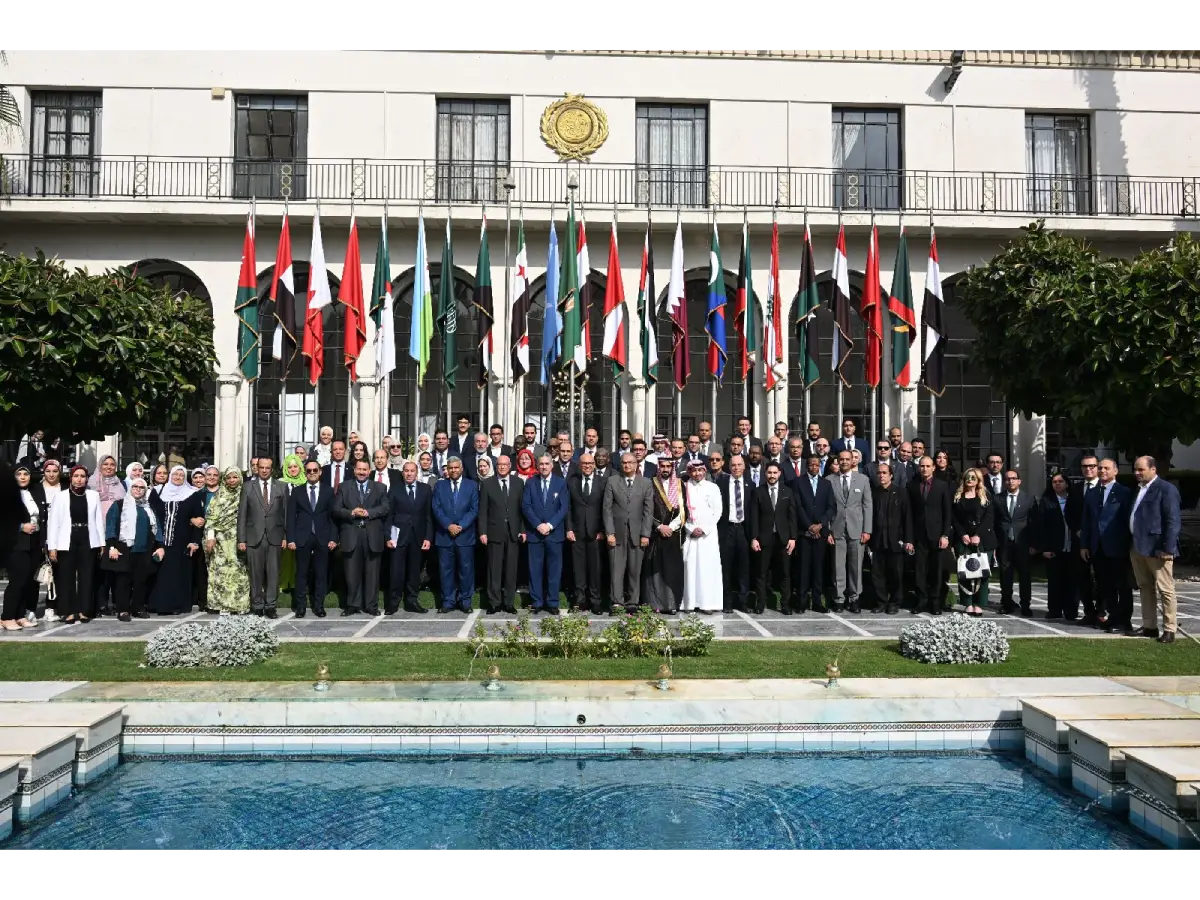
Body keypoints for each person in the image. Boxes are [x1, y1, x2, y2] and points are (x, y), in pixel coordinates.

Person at [1129, 456, 1182, 644]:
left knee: (1165, 589)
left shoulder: (1166, 489)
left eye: (1141, 469)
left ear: (1153, 469)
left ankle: (1169, 629)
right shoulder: (1140, 489)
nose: (1137, 473)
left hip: (1157, 548)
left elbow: (1173, 520)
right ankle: (1149, 626)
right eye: (1135, 469)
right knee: (1145, 587)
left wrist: (1168, 548)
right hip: (1138, 546)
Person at [1079, 459, 1135, 635]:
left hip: (1118, 547)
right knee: (1105, 586)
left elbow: (1128, 520)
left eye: (1106, 468)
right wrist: (1084, 545)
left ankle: (1124, 620)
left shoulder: (1124, 492)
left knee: (1122, 586)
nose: (1102, 470)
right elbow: (1086, 521)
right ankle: (1112, 616)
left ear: (1115, 471)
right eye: (1100, 468)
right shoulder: (1092, 492)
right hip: (1097, 547)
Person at [47, 465, 105, 624]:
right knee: (66, 576)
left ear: (87, 479)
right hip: (67, 539)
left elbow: (98, 520)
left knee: (87, 576)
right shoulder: (60, 496)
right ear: (71, 478)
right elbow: (53, 523)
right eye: (76, 476)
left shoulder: (93, 495)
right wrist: (52, 546)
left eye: (82, 476)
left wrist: (101, 542)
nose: (79, 479)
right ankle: (68, 611)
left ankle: (85, 610)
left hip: (87, 537)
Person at [333, 458, 390, 617]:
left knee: (372, 574)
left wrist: (369, 513)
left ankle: (371, 606)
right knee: (351, 573)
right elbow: (336, 509)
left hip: (372, 535)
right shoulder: (344, 487)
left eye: (365, 470)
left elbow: (386, 507)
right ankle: (353, 605)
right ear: (354, 470)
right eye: (359, 469)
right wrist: (351, 512)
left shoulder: (379, 487)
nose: (362, 472)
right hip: (351, 534)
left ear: (369, 471)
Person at [103, 477, 164, 621]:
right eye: (135, 487)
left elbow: (156, 528)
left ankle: (138, 608)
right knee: (123, 581)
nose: (138, 490)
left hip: (144, 549)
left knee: (140, 581)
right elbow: (111, 526)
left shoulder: (148, 507)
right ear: (130, 488)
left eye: (141, 487)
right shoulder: (119, 505)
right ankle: (123, 610)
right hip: (124, 549)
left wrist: (160, 546)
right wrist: (111, 546)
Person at [148, 466, 204, 616]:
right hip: (159, 540)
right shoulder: (158, 492)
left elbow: (199, 520)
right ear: (170, 475)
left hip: (182, 541)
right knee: (159, 573)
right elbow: (150, 511)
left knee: (178, 574)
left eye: (181, 475)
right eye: (175, 474)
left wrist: (195, 541)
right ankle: (157, 604)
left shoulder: (192, 494)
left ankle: (176, 605)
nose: (178, 477)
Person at [237, 458, 289, 618]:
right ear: (257, 468)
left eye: (267, 468)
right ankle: (257, 605)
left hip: (275, 537)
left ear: (272, 469)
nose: (264, 470)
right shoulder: (247, 487)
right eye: (261, 467)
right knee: (255, 574)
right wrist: (241, 539)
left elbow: (286, 514)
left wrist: (286, 536)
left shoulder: (282, 486)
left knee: (273, 573)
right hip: (253, 537)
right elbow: (242, 514)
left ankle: (271, 606)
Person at [603, 452, 654, 615]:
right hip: (616, 533)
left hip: (637, 534)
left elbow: (648, 511)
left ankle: (632, 602)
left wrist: (645, 534)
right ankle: (617, 602)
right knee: (616, 570)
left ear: (636, 464)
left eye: (630, 462)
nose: (627, 465)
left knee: (634, 570)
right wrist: (609, 532)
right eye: (624, 462)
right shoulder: (612, 481)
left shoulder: (645, 483)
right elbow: (607, 509)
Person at [286, 458, 337, 618]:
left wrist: (333, 538)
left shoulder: (328, 491)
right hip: (302, 537)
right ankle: (300, 607)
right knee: (301, 573)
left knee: (321, 574)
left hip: (322, 537)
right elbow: (291, 517)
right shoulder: (297, 491)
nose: (312, 473)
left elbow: (333, 517)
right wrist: (291, 539)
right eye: (309, 470)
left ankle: (319, 606)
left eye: (315, 470)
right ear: (305, 472)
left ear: (320, 472)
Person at [521, 454, 569, 614]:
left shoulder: (560, 483)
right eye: (541, 464)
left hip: (554, 534)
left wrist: (549, 525)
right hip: (535, 534)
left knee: (554, 570)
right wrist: (538, 525)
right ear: (537, 466)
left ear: (552, 465)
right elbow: (526, 506)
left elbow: (563, 508)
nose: (544, 466)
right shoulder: (530, 482)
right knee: (535, 569)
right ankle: (536, 602)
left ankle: (553, 602)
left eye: (547, 464)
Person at [384, 461, 432, 615]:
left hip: (418, 537)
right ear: (402, 473)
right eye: (406, 471)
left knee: (414, 572)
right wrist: (388, 537)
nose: (409, 473)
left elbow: (428, 516)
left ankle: (411, 601)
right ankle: (393, 602)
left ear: (417, 473)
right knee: (396, 571)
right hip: (398, 537)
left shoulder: (425, 489)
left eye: (412, 471)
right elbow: (389, 515)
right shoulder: (395, 489)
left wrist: (428, 537)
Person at [828, 450, 873, 614]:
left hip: (857, 530)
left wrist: (867, 530)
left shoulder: (863, 479)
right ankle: (839, 599)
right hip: (837, 529)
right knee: (838, 566)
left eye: (847, 459)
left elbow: (867, 505)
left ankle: (854, 598)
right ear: (838, 461)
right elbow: (827, 507)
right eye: (841, 459)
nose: (844, 462)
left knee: (856, 566)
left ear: (853, 460)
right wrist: (828, 531)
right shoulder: (829, 480)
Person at [432, 457, 479, 614]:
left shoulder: (472, 485)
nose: (453, 470)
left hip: (465, 536)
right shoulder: (440, 486)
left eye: (456, 467)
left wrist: (460, 526)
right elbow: (436, 508)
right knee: (446, 571)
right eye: (450, 468)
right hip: (445, 536)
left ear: (461, 468)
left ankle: (465, 601)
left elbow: (474, 509)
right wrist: (448, 525)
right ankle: (448, 601)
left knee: (466, 570)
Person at [478, 455, 523, 614]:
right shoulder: (487, 484)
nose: (502, 467)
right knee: (494, 569)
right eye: (499, 465)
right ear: (496, 466)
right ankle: (494, 602)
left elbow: (522, 509)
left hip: (513, 532)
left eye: (505, 464)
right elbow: (483, 511)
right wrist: (483, 532)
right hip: (494, 531)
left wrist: (523, 530)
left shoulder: (518, 482)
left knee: (511, 569)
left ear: (510, 466)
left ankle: (509, 602)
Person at [750, 461, 797, 614]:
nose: (772, 475)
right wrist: (754, 537)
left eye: (774, 473)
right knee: (761, 573)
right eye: (769, 473)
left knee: (785, 573)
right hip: (764, 538)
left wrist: (793, 538)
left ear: (779, 474)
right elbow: (754, 517)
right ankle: (761, 603)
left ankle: (785, 604)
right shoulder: (758, 492)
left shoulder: (787, 492)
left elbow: (792, 516)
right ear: (765, 474)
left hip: (783, 539)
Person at [908, 456, 953, 616]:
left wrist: (945, 535)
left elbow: (947, 513)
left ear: (933, 467)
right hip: (919, 536)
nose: (924, 469)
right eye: (922, 466)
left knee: (936, 570)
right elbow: (909, 514)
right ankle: (921, 601)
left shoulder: (942, 486)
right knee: (920, 570)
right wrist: (909, 539)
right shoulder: (912, 486)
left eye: (928, 466)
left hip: (937, 535)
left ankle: (935, 602)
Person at [641, 456, 685, 614]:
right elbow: (645, 509)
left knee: (671, 570)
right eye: (663, 466)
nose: (665, 469)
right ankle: (654, 604)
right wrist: (659, 526)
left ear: (672, 468)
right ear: (658, 467)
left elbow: (684, 510)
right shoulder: (650, 483)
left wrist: (671, 527)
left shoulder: (680, 484)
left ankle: (671, 605)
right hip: (655, 535)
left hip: (673, 536)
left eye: (668, 466)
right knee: (654, 570)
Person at [1035, 471, 1082, 620]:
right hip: (1054, 548)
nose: (1057, 484)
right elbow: (1042, 526)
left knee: (1072, 581)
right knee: (1055, 581)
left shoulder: (1075, 500)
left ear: (1067, 484)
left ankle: (1071, 611)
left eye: (1060, 481)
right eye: (1054, 482)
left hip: (1073, 546)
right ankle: (1054, 610)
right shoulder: (1046, 501)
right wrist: (1044, 549)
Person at [205, 467, 252, 616]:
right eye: (229, 477)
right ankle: (222, 605)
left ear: (240, 478)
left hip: (240, 540)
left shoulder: (245, 495)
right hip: (220, 542)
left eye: (235, 477)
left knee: (239, 573)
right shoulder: (218, 496)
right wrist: (210, 538)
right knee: (221, 574)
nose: (232, 480)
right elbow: (211, 519)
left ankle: (240, 605)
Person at [868, 463, 913, 615]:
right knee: (877, 574)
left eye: (884, 473)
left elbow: (907, 517)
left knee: (896, 574)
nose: (881, 475)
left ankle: (894, 603)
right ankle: (880, 602)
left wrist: (908, 540)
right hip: (878, 540)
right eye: (879, 473)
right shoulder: (873, 493)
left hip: (896, 541)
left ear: (891, 475)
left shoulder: (901, 493)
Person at [2, 466, 44, 630]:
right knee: (17, 580)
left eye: (26, 474)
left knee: (27, 580)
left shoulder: (34, 492)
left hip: (33, 542)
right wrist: (20, 526)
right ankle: (7, 616)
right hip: (16, 542)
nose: (22, 477)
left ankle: (19, 615)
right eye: (18, 474)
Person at [951, 468, 996, 616]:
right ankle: (968, 604)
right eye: (967, 477)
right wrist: (962, 534)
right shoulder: (958, 496)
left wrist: (978, 535)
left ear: (978, 480)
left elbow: (989, 518)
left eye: (973, 478)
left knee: (982, 572)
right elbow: (954, 518)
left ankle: (980, 603)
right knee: (964, 572)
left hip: (983, 540)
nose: (970, 480)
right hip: (963, 540)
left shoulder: (986, 496)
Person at [794, 454, 835, 614]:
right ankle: (802, 601)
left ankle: (817, 601)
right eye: (811, 464)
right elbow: (798, 506)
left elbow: (831, 507)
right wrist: (810, 526)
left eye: (816, 465)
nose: (814, 467)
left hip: (821, 533)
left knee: (818, 568)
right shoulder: (799, 482)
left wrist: (820, 525)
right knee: (803, 568)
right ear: (807, 466)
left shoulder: (826, 484)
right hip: (804, 532)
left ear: (820, 466)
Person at [681, 459, 723, 614]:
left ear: (705, 471)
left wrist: (704, 529)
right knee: (689, 567)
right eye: (694, 470)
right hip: (690, 534)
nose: (697, 473)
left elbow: (717, 511)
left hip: (708, 536)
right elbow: (681, 512)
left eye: (700, 470)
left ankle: (707, 604)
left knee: (707, 569)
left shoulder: (713, 487)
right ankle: (689, 604)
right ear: (689, 472)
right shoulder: (684, 487)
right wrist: (690, 528)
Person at [994, 469, 1038, 616]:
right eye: (1007, 479)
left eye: (1013, 478)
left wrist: (1034, 544)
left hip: (1023, 544)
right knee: (1005, 575)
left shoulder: (1029, 498)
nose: (1010, 481)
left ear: (1019, 481)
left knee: (1024, 575)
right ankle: (1007, 603)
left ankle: (1025, 605)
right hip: (1004, 543)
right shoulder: (997, 499)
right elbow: (994, 521)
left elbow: (1034, 522)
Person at [566, 453, 605, 613]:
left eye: (590, 463)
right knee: (578, 568)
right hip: (577, 532)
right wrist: (569, 528)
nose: (587, 466)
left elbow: (606, 508)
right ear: (579, 465)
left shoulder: (602, 482)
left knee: (595, 569)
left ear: (594, 464)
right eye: (584, 463)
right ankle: (580, 600)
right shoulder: (572, 482)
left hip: (596, 533)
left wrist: (603, 530)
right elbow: (568, 507)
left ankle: (595, 601)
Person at [277, 453, 306, 599]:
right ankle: (283, 583)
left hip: (301, 523)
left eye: (295, 466)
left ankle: (294, 583)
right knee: (284, 555)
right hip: (284, 522)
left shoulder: (305, 481)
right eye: (290, 467)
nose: (293, 469)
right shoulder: (280, 483)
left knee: (298, 556)